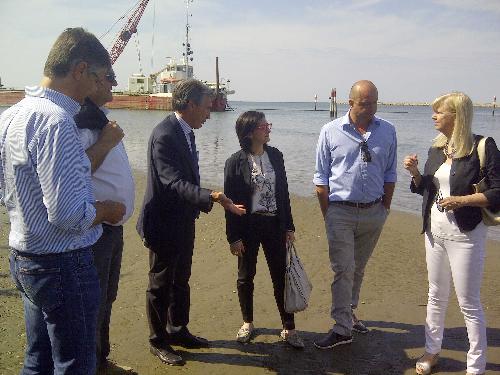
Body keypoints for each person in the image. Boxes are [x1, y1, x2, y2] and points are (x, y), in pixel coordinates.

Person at [0, 28, 126, 375]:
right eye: (100, 77)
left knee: (36, 358)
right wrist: (106, 210)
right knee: (75, 364)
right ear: (80, 70)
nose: (100, 87)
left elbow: (6, 191)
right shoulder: (57, 122)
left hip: (26, 255)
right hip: (63, 262)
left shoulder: (12, 114)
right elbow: (69, 215)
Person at [136, 79, 245, 366]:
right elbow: (173, 182)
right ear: (191, 105)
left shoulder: (185, 131)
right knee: (160, 283)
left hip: (184, 219)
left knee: (180, 279)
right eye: (207, 108)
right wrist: (214, 196)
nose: (210, 114)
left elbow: (186, 178)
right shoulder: (165, 134)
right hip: (162, 221)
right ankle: (158, 341)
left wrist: (204, 199)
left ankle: (178, 329)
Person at [403, 92, 500, 375]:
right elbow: (428, 189)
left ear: (457, 116)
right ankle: (432, 352)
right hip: (434, 231)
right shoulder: (437, 147)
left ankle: (476, 365)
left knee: (468, 302)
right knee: (435, 294)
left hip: (466, 233)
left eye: (439, 112)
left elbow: (497, 191)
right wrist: (415, 174)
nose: (433, 116)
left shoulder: (483, 146)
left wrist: (462, 200)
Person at [313, 80, 397, 349]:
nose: (370, 108)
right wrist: (329, 213)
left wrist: (384, 208)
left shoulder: (388, 131)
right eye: (364, 103)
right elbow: (320, 178)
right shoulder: (330, 131)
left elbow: (390, 173)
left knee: (358, 268)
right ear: (350, 103)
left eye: (374, 102)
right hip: (340, 212)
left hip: (374, 212)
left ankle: (349, 314)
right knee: (343, 269)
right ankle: (341, 328)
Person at [224, 111, 304, 349]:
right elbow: (229, 204)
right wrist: (234, 237)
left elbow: (284, 193)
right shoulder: (235, 162)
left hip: (274, 225)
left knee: (281, 276)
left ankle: (289, 327)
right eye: (263, 126)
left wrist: (289, 226)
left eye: (267, 124)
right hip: (248, 226)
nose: (268, 128)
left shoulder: (276, 156)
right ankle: (247, 322)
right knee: (246, 276)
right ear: (249, 133)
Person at [74, 69, 135, 371]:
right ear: (93, 81)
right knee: (93, 302)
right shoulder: (84, 121)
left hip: (112, 228)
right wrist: (108, 141)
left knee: (107, 296)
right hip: (96, 227)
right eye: (109, 77)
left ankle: (101, 358)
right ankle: (91, 364)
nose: (114, 82)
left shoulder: (100, 118)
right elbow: (76, 170)